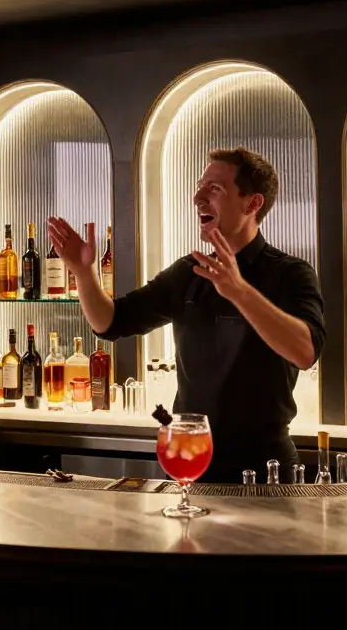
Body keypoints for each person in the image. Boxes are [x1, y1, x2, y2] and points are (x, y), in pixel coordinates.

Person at [49, 147, 325, 483]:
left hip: (265, 465)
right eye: (199, 187)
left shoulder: (291, 274)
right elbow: (111, 322)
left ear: (253, 203)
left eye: (215, 189)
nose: (197, 199)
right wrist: (83, 272)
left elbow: (305, 352)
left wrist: (239, 291)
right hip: (191, 458)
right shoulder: (188, 272)